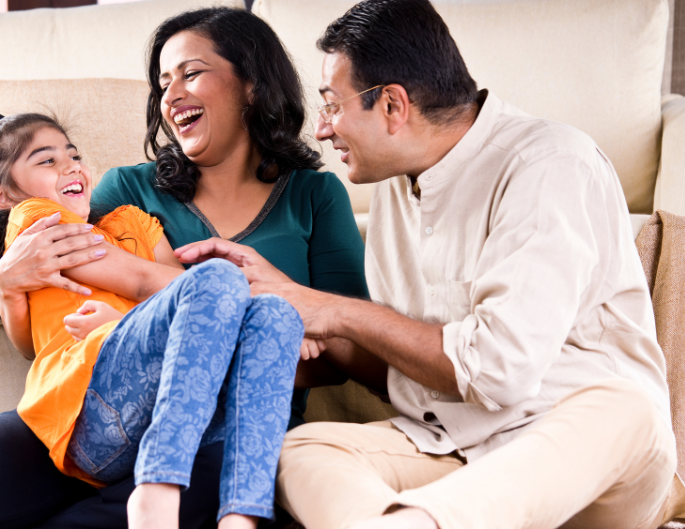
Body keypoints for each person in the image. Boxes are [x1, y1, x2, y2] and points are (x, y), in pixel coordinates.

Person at [0, 7, 368, 529]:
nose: (171, 93)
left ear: (254, 85)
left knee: (204, 497)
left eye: (191, 72)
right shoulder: (128, 192)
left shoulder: (316, 196)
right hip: (116, 396)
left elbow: (348, 350)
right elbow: (67, 324)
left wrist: (244, 319)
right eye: (163, 82)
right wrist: (8, 285)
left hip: (228, 417)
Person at [174, 0, 685, 528]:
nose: (323, 130)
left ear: (393, 105)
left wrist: (335, 311)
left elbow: (495, 370)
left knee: (624, 410)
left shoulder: (550, 163)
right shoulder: (396, 187)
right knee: (303, 451)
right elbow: (405, 361)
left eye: (332, 105)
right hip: (455, 449)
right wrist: (289, 311)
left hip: (587, 458)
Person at [0, 110, 304, 529]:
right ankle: (157, 492)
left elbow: (194, 305)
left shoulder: (132, 222)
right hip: (92, 413)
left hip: (162, 404)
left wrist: (124, 320)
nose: (70, 165)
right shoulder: (34, 219)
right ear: (3, 195)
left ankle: (240, 518)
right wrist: (118, 325)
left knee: (276, 314)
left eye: (72, 154)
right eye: (47, 160)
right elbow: (151, 285)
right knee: (221, 278)